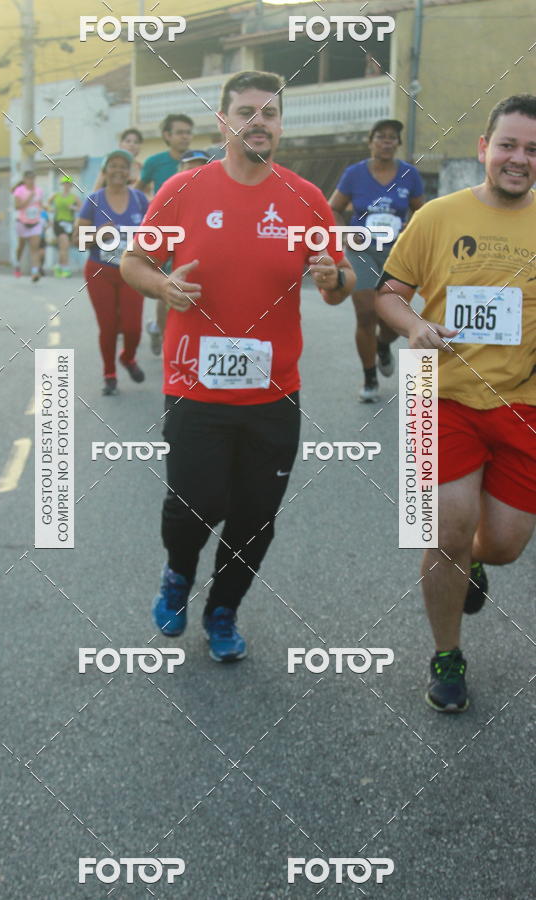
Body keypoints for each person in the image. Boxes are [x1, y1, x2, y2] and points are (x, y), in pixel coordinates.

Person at [121, 70, 355, 662]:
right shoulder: (181, 190)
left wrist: (335, 278)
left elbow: (338, 282)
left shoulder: (306, 199)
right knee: (194, 502)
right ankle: (178, 572)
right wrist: (163, 284)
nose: (259, 122)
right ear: (224, 122)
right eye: (247, 111)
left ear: (280, 125)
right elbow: (133, 262)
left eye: (270, 113)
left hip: (274, 393)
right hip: (193, 384)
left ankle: (223, 610)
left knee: (255, 517)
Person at [375, 93, 536, 713]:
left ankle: (474, 565)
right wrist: (413, 325)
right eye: (508, 145)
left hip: (523, 407)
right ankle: (447, 652)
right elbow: (389, 294)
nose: (518, 159)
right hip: (443, 397)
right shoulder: (438, 216)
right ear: (484, 150)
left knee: (501, 544)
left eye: (531, 149)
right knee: (448, 530)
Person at [330, 120, 424, 401]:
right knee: (366, 315)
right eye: (380, 137)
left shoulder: (410, 174)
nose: (386, 142)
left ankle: (384, 345)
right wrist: (345, 234)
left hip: (397, 254)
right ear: (371, 142)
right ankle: (369, 377)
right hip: (362, 251)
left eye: (392, 138)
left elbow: (422, 213)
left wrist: (408, 233)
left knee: (394, 321)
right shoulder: (354, 174)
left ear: (397, 143)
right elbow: (332, 208)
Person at [76, 149, 149, 395]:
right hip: (100, 271)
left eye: (123, 166)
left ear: (129, 172)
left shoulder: (140, 200)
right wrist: (97, 235)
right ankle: (109, 373)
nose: (119, 170)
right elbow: (78, 240)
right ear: (105, 171)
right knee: (107, 326)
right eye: (114, 165)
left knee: (133, 328)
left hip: (132, 272)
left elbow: (154, 234)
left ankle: (127, 358)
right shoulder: (94, 200)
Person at [138, 114, 194, 356]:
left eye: (188, 132)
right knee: (166, 286)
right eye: (180, 132)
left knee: (189, 283)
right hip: (165, 233)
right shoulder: (154, 162)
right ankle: (163, 338)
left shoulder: (199, 159)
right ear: (167, 136)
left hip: (193, 231)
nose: (185, 137)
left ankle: (182, 335)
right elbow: (138, 192)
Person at [12, 171, 45, 281]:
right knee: (21, 247)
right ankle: (17, 264)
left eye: (33, 179)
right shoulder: (19, 190)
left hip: (35, 223)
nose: (31, 181)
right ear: (25, 179)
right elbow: (17, 206)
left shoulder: (39, 191)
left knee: (34, 248)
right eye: (29, 179)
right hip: (22, 223)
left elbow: (40, 204)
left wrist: (42, 210)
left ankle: (35, 273)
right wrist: (29, 198)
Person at [49, 176, 79, 277]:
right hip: (58, 223)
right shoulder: (56, 195)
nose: (66, 186)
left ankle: (58, 266)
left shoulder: (74, 197)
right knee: (65, 244)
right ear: (62, 185)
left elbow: (81, 208)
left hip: (69, 223)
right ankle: (65, 268)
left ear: (71, 186)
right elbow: (46, 204)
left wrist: (73, 207)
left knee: (64, 247)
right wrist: (50, 209)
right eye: (65, 184)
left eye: (68, 184)